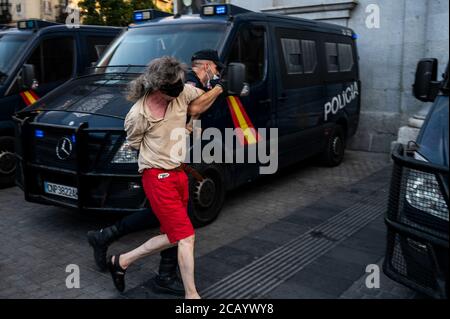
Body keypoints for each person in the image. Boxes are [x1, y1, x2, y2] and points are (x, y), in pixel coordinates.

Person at [86, 50, 225, 296]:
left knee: (172, 231)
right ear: (156, 87)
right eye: (170, 90)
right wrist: (159, 153)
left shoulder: (182, 92)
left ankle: (124, 261)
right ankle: (191, 295)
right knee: (185, 235)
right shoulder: (138, 115)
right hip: (157, 175)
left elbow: (196, 104)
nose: (176, 94)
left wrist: (199, 107)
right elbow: (135, 143)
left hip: (179, 173)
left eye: (178, 87)